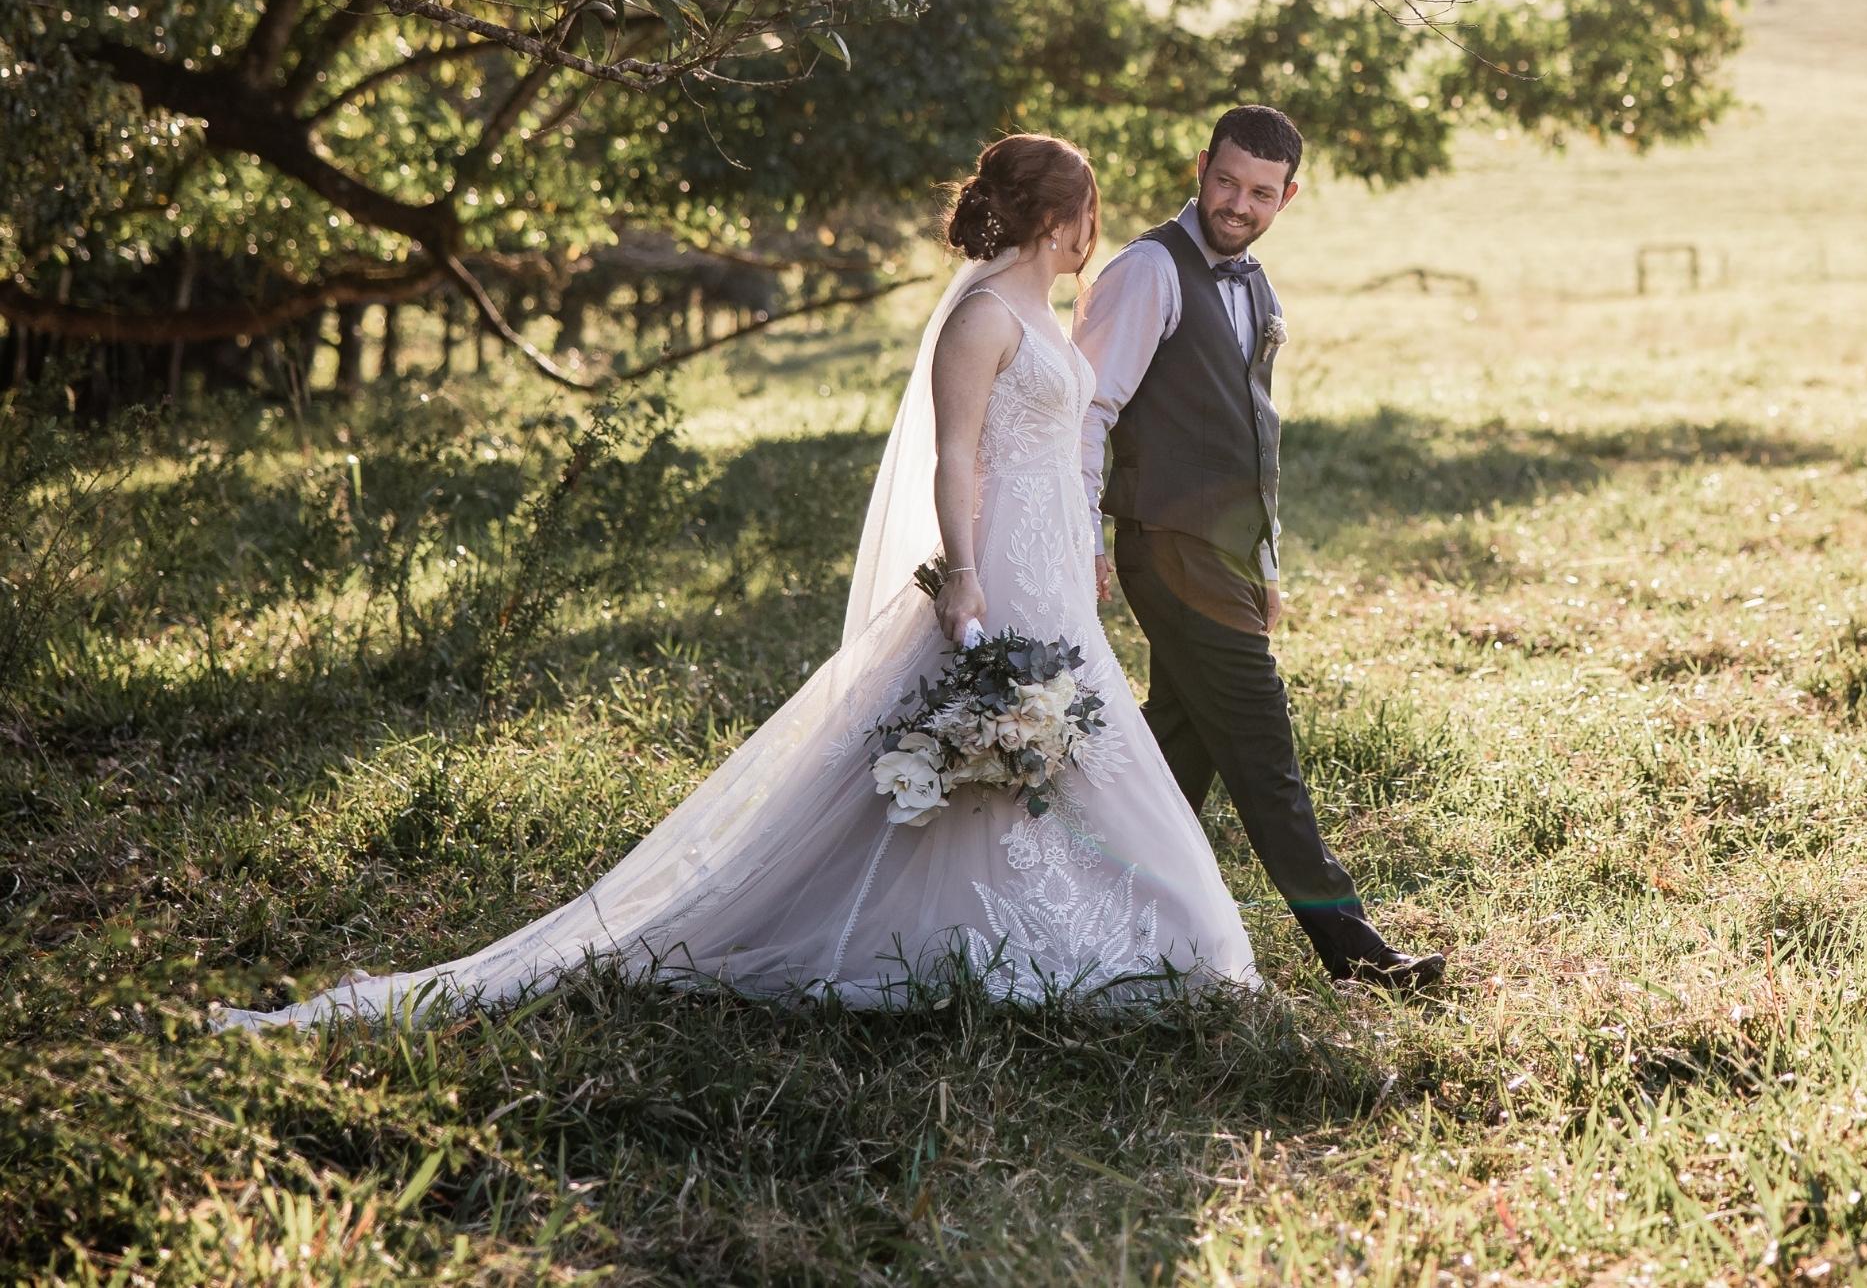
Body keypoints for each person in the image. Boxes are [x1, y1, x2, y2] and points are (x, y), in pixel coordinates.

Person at [212, 135, 1256, 1028]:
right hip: (998, 569)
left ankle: (1074, 927)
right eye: (1087, 216)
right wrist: (967, 575)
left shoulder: (1044, 318)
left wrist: (1075, 550)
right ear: (1063, 219)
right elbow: (957, 457)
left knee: (1045, 752)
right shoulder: (982, 317)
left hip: (1054, 569)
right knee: (970, 752)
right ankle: (1009, 932)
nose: (1092, 236)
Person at [1074, 106, 1446, 992]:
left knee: (1180, 747)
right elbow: (1084, 413)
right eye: (1226, 182)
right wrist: (1084, 537)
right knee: (1263, 749)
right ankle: (1356, 958)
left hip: (1230, 556)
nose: (1238, 204)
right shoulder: (1146, 273)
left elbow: (1254, 436)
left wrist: (1266, 563)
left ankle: (1105, 928)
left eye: (1261, 193)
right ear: (1201, 164)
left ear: (1289, 195)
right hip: (1167, 547)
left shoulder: (1257, 285)